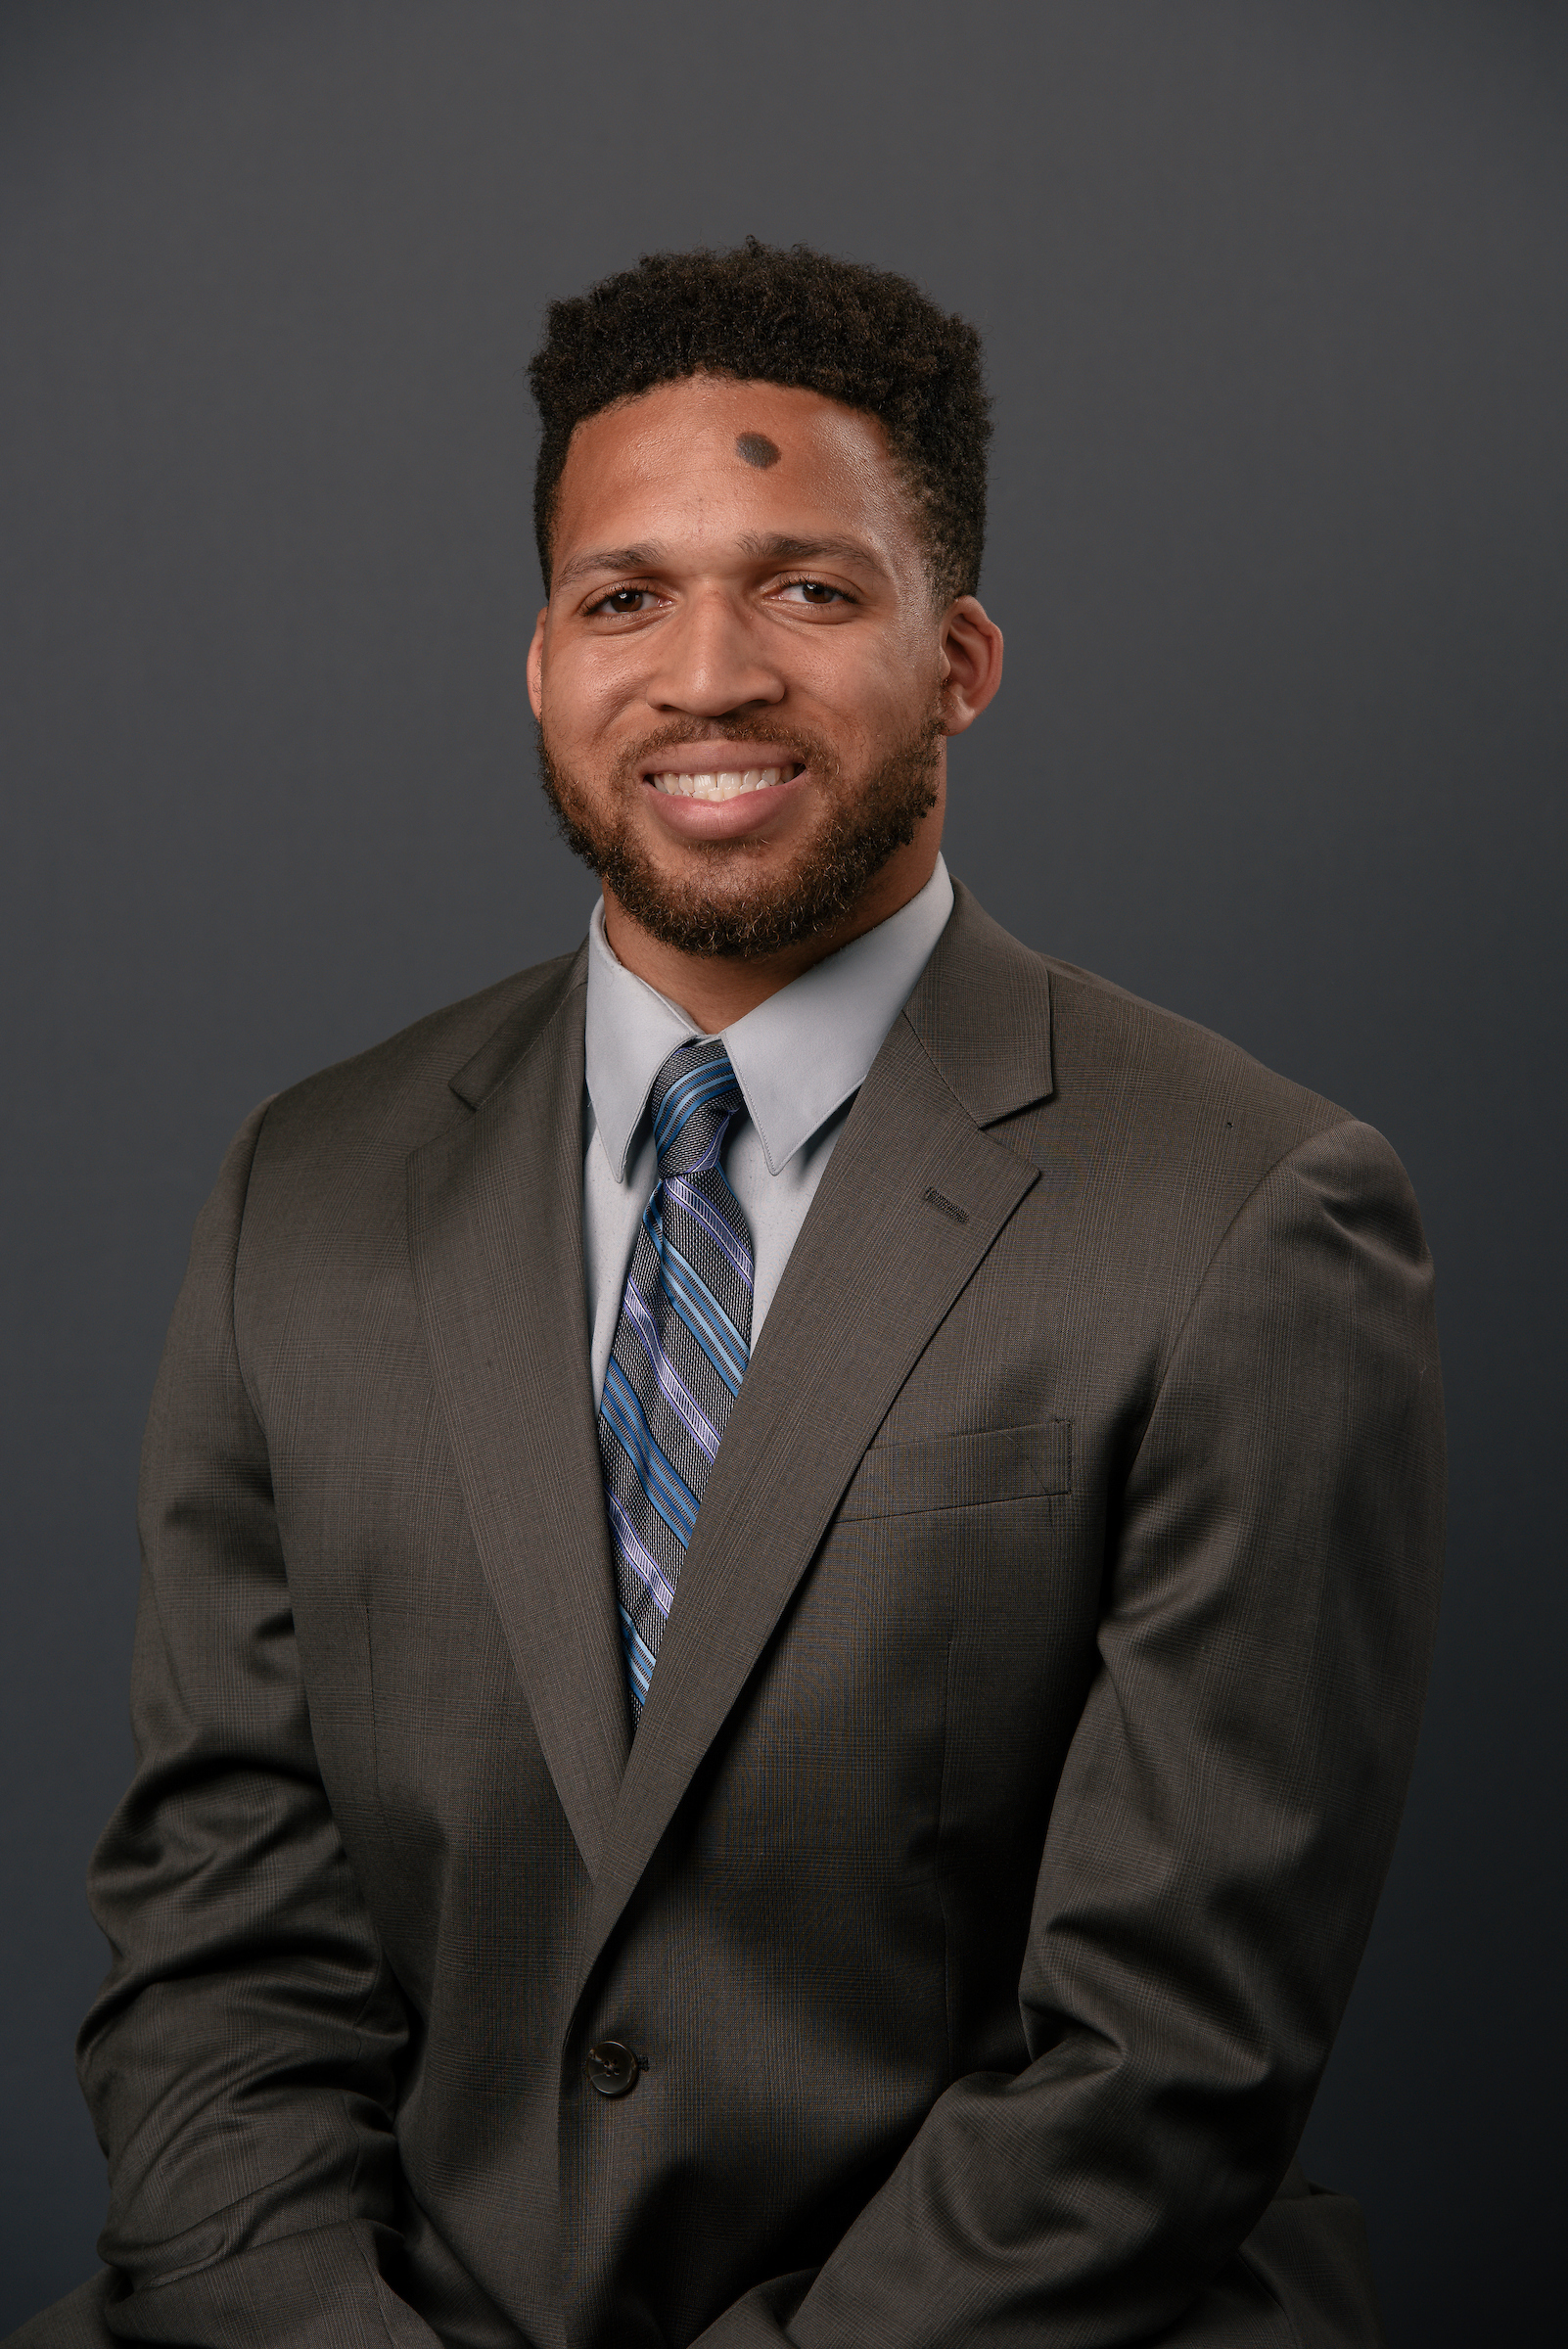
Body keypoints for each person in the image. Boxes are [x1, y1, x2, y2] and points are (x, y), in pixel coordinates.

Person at [16, 241, 1444, 2349]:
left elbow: (1163, 2057)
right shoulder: (301, 1196)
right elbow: (222, 1948)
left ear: (957, 659)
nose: (706, 674)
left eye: (807, 588)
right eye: (625, 596)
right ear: (537, 663)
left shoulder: (1251, 1214)